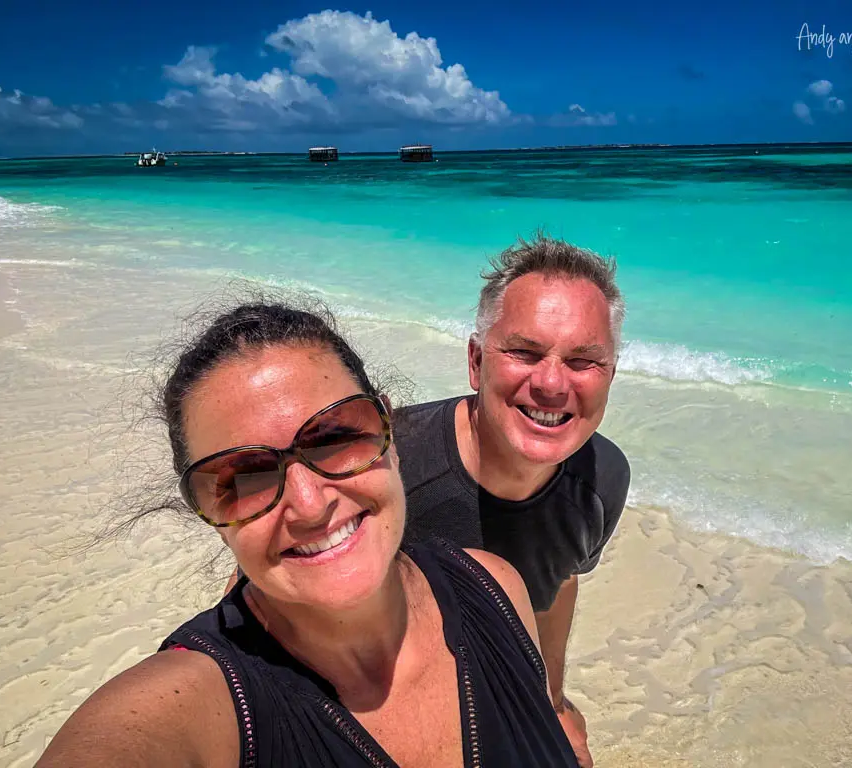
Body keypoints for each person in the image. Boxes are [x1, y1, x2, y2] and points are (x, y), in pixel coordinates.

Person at [36, 301, 579, 768]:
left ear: (388, 432)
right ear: (206, 509)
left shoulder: (496, 586)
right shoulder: (203, 702)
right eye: (244, 477)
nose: (310, 504)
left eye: (335, 437)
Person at [396, 234, 631, 768]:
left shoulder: (603, 479)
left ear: (610, 378)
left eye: (583, 361)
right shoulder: (392, 461)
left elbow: (558, 578)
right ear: (477, 363)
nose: (551, 383)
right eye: (524, 352)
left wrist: (550, 700)